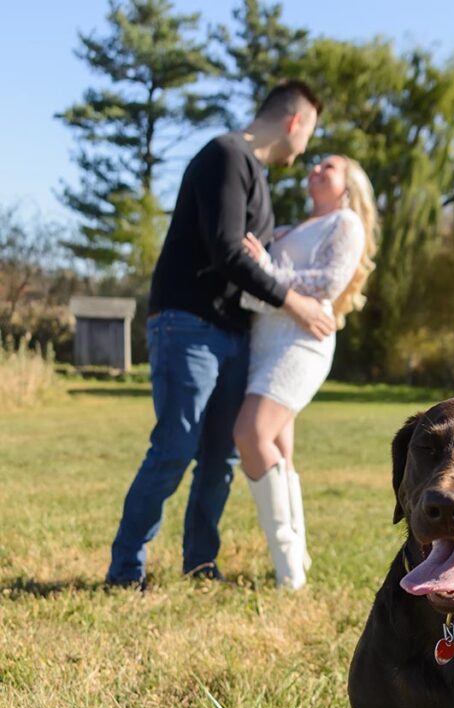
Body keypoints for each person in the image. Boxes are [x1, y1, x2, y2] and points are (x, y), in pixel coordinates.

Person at [106, 80, 334, 589]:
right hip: (188, 324)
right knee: (174, 447)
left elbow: (260, 260)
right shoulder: (225, 156)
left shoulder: (255, 175)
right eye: (309, 131)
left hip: (233, 334)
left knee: (219, 458)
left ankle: (200, 565)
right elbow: (228, 251)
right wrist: (295, 304)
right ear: (294, 122)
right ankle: (125, 572)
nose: (305, 147)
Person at [234, 154, 378, 589]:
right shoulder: (290, 228)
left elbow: (328, 283)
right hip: (266, 340)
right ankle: (297, 554)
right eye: (315, 163)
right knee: (279, 446)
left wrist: (267, 268)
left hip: (301, 341)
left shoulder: (346, 223)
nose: (316, 169)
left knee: (250, 434)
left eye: (329, 167)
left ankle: (288, 569)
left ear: (347, 185)